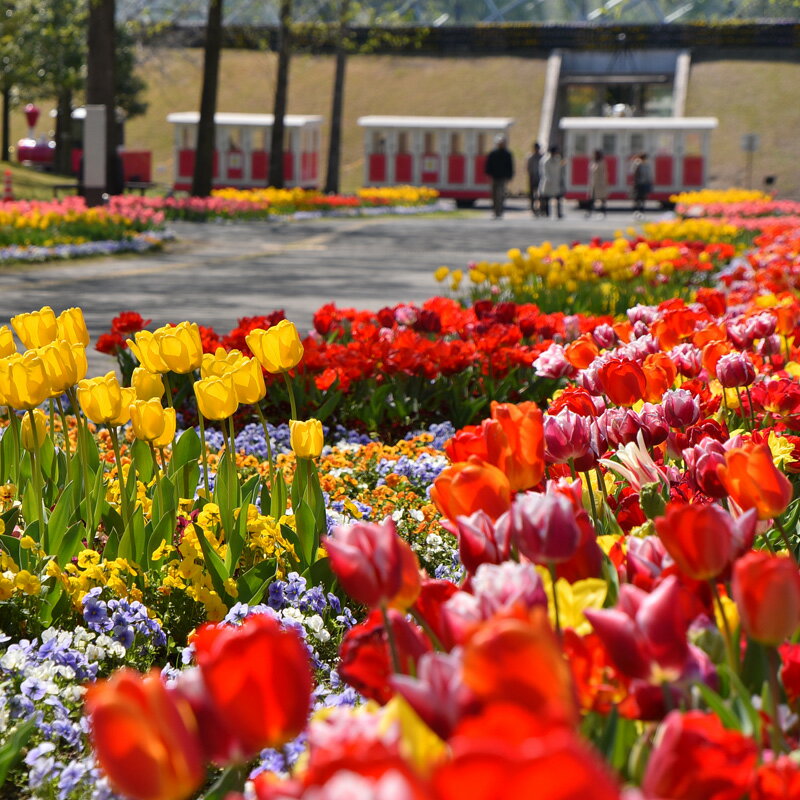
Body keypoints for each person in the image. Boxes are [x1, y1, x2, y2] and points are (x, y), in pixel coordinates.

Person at [484, 135, 514, 218]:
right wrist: (488, 174)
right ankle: (495, 210)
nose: (501, 144)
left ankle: (500, 210)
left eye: (502, 143)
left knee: (500, 194)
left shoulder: (507, 154)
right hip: (494, 177)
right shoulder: (493, 153)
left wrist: (509, 176)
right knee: (493, 194)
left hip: (502, 177)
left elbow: (510, 166)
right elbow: (488, 165)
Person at [539, 145, 565, 219]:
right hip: (548, 183)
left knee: (558, 198)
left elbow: (561, 169)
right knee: (547, 198)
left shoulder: (558, 159)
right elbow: (544, 172)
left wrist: (561, 178)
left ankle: (558, 213)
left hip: (556, 181)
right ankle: (547, 213)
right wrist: (548, 179)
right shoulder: (545, 160)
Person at [587, 149, 608, 218]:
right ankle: (589, 212)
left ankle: (603, 211)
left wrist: (605, 182)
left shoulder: (601, 162)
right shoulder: (593, 162)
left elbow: (604, 173)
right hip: (594, 183)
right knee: (592, 198)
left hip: (600, 183)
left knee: (602, 198)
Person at [632, 152, 652, 218]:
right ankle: (637, 211)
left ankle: (641, 211)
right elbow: (635, 174)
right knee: (638, 198)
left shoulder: (646, 164)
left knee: (642, 198)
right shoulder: (638, 164)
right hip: (639, 183)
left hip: (644, 183)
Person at [526, 141, 542, 216]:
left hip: (540, 177)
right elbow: (528, 167)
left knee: (540, 194)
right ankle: (532, 207)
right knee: (532, 193)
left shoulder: (542, 157)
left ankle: (540, 207)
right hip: (532, 176)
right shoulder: (530, 157)